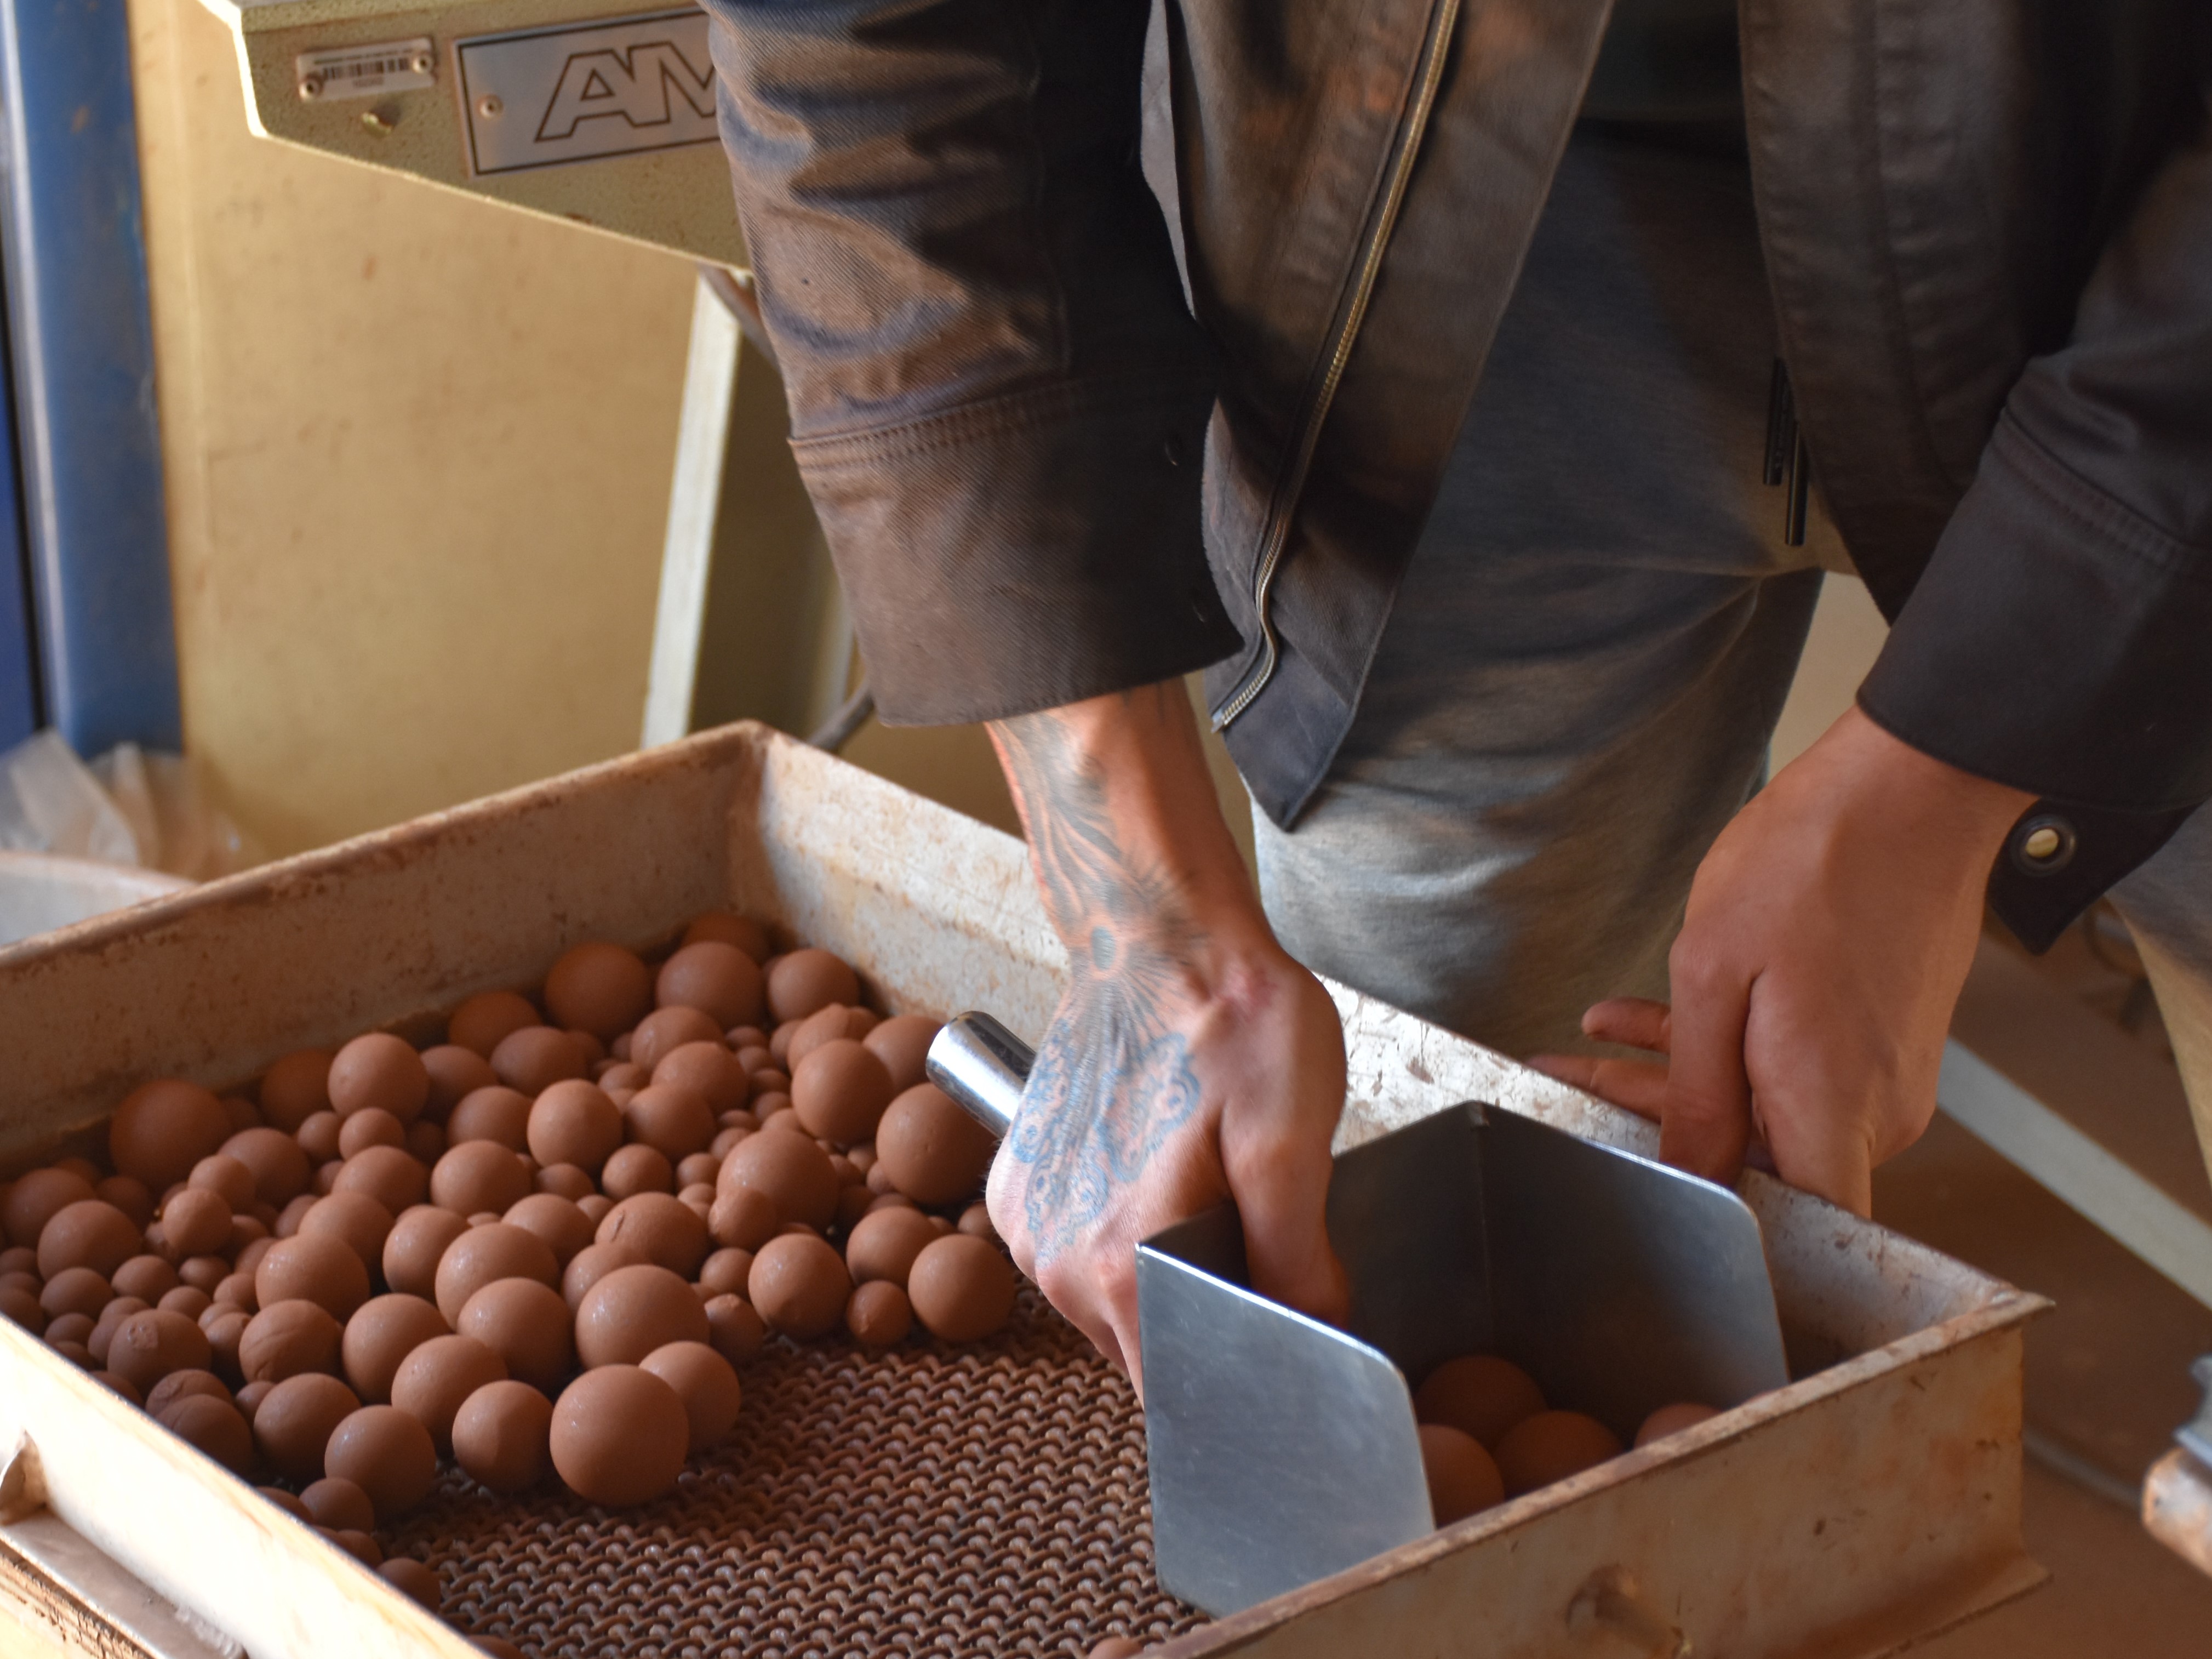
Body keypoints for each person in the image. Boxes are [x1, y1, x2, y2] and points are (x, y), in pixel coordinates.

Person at [701, 0, 2212, 1393]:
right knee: (1405, 1187)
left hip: (2142, 251)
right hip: (1449, 263)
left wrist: (1940, 784)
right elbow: (877, 46)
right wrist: (1142, 926)